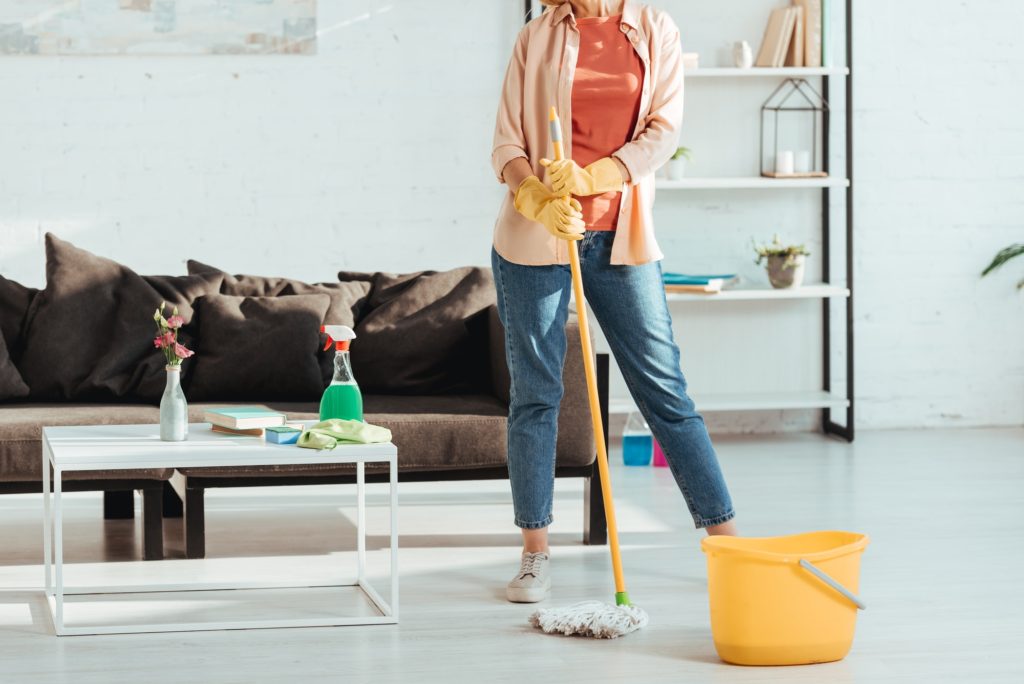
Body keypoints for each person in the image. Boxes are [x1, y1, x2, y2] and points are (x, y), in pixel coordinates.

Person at [490, 0, 737, 604]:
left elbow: (663, 130)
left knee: (665, 392)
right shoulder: (536, 35)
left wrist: (592, 178)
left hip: (622, 238)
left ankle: (727, 543)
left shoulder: (655, 30)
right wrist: (537, 200)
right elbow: (506, 145)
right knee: (537, 395)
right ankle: (534, 553)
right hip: (535, 241)